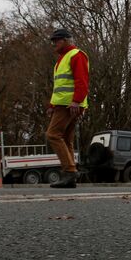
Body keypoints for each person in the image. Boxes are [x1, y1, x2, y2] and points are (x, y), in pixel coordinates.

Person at [46, 29, 89, 188]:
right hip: (64, 104)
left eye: (56, 41)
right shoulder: (62, 59)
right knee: (66, 139)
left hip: (69, 105)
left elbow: (82, 80)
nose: (54, 44)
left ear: (65, 40)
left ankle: (70, 171)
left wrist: (76, 101)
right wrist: (52, 105)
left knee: (53, 135)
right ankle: (70, 177)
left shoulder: (76, 55)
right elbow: (59, 86)